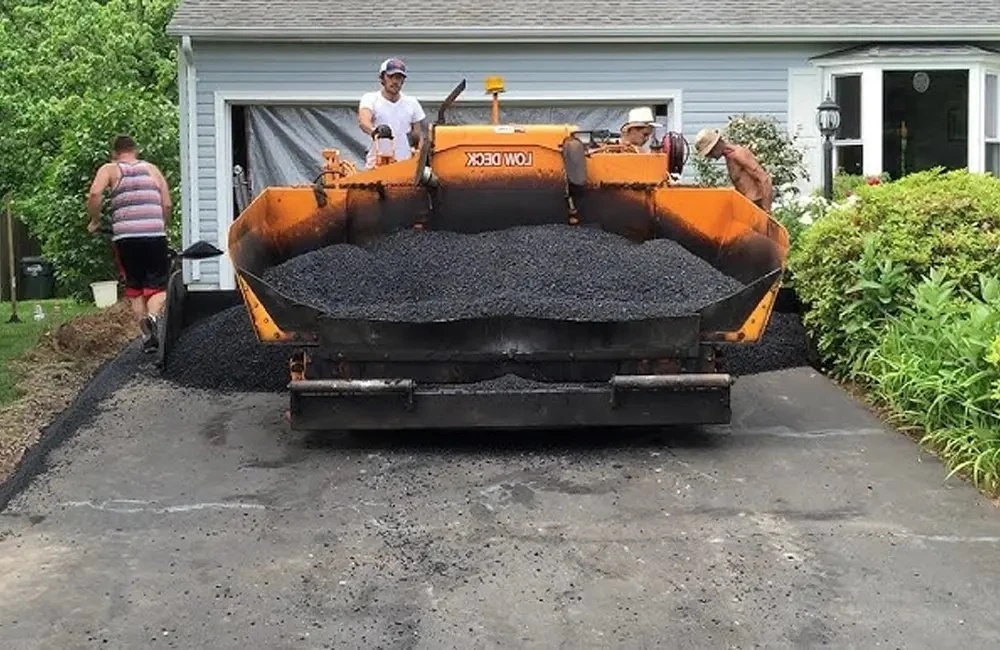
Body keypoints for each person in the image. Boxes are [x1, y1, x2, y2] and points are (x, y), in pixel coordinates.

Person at [86, 134, 172, 353]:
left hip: (126, 238)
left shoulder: (110, 169)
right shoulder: (152, 169)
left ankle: (146, 335)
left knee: (135, 287)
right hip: (154, 234)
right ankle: (153, 317)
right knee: (158, 285)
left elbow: (95, 193)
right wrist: (162, 225)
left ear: (114, 153)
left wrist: (95, 221)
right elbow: (167, 204)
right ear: (136, 150)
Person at [357, 57, 427, 169]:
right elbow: (363, 121)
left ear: (403, 81)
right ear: (382, 78)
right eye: (390, 76)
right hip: (376, 166)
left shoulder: (412, 102)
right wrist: (375, 131)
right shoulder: (370, 98)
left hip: (405, 167)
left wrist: (420, 158)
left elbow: (418, 136)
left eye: (398, 78)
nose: (395, 81)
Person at [694, 127, 774, 212]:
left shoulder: (739, 154)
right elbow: (743, 184)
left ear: (715, 145)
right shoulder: (729, 157)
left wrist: (766, 211)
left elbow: (765, 179)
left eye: (710, 153)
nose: (710, 157)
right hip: (747, 206)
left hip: (757, 205)